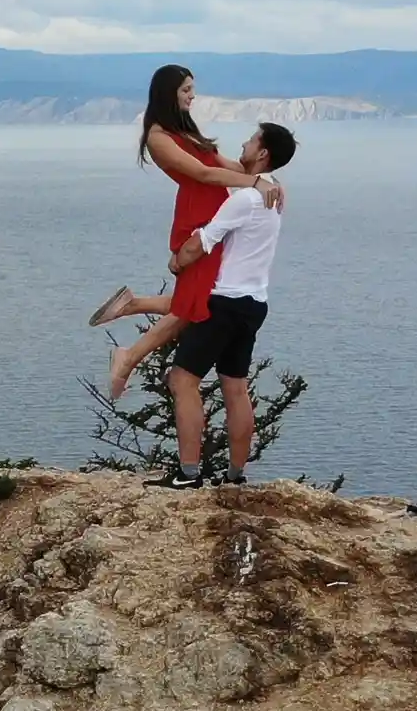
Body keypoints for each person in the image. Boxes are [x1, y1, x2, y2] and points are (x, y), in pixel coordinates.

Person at [89, 68, 282, 401]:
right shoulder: (158, 136)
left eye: (192, 89)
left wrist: (272, 183)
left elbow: (224, 165)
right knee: (196, 305)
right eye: (186, 90)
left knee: (201, 299)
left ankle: (132, 306)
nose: (192, 96)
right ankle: (128, 356)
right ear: (168, 93)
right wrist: (255, 183)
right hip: (197, 216)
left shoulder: (185, 129)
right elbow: (203, 173)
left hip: (213, 209)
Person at [155, 132, 289, 488]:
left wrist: (177, 262)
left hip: (224, 302)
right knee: (235, 387)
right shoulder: (275, 193)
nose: (242, 145)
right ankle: (235, 476)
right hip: (254, 303)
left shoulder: (246, 198)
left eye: (250, 140)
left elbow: (203, 242)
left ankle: (188, 474)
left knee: (182, 380)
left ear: (262, 153)